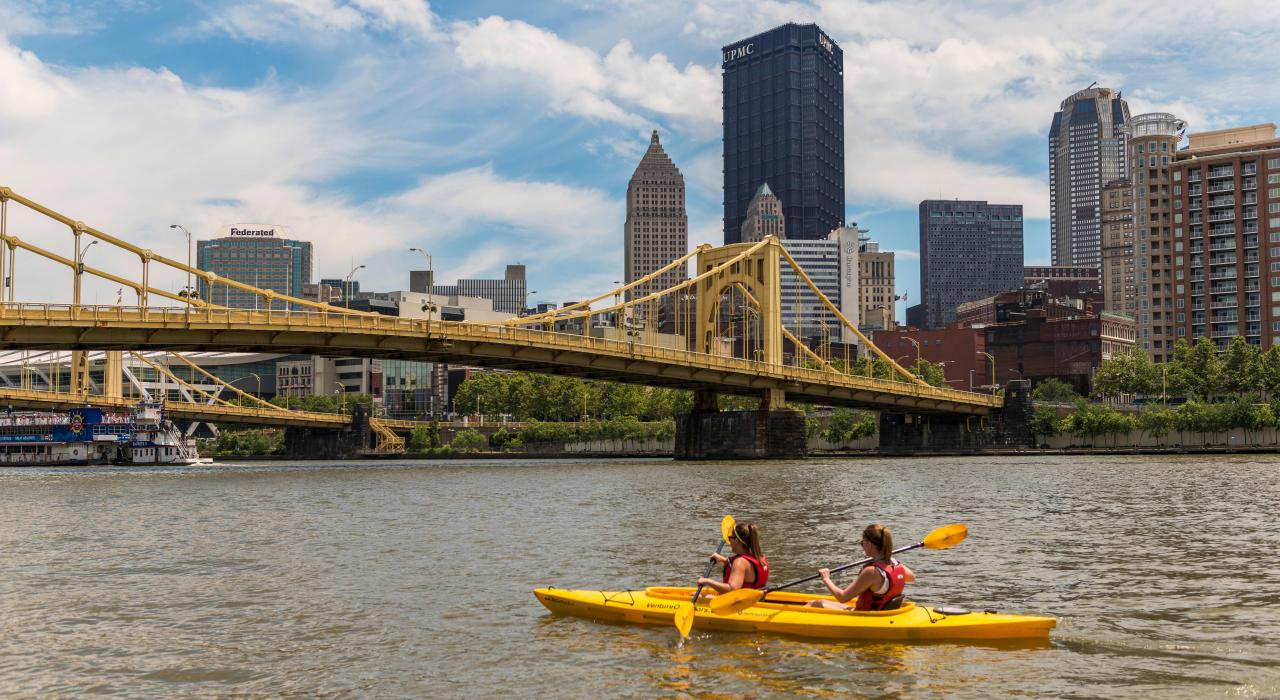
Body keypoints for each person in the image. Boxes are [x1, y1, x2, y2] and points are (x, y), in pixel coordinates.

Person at [807, 523, 915, 610]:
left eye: (862, 543)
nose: (862, 546)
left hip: (866, 617)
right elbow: (911, 577)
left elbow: (842, 597)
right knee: (819, 602)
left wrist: (826, 578)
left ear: (869, 544)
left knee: (813, 605)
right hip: (882, 614)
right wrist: (887, 558)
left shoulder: (871, 572)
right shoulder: (896, 565)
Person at [696, 521, 769, 593]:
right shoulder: (759, 557)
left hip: (740, 603)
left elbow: (732, 589)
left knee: (696, 596)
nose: (729, 539)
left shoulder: (740, 562)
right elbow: (747, 571)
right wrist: (724, 560)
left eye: (730, 537)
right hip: (754, 600)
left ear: (736, 540)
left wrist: (707, 581)